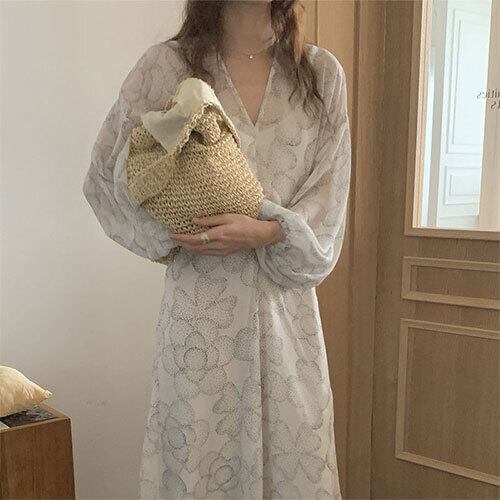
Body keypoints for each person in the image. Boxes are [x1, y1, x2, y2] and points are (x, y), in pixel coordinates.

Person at [82, 0, 351, 498]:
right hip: (198, 318)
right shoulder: (166, 67)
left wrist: (267, 231)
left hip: (286, 321)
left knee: (292, 466)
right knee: (198, 466)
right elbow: (105, 178)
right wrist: (179, 228)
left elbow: (329, 198)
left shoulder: (321, 76)